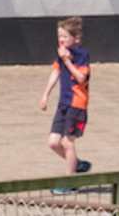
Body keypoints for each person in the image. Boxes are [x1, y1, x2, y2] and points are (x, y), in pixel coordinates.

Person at [35, 16, 92, 174]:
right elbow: (55, 72)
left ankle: (70, 181)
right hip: (64, 103)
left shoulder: (82, 55)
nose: (61, 39)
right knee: (53, 143)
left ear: (76, 38)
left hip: (77, 105)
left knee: (67, 142)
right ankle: (77, 164)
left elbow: (81, 78)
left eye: (65, 36)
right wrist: (45, 95)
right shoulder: (61, 54)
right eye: (59, 36)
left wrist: (67, 60)